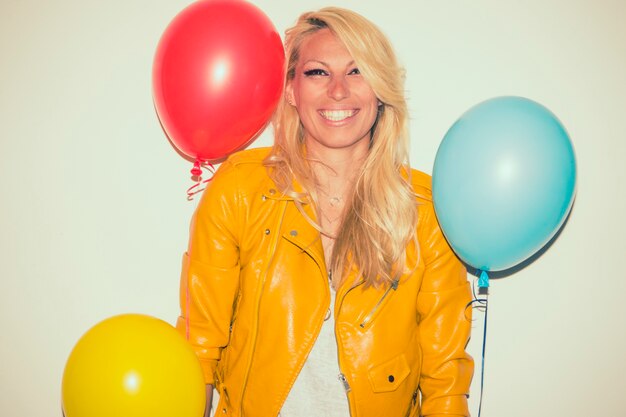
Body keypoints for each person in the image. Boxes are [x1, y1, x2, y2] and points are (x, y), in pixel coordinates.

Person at [176, 7, 473, 417]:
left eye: (357, 72)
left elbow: (444, 377)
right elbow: (199, 346)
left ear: (381, 89)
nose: (338, 91)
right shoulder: (239, 188)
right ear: (292, 90)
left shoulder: (425, 209)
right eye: (318, 72)